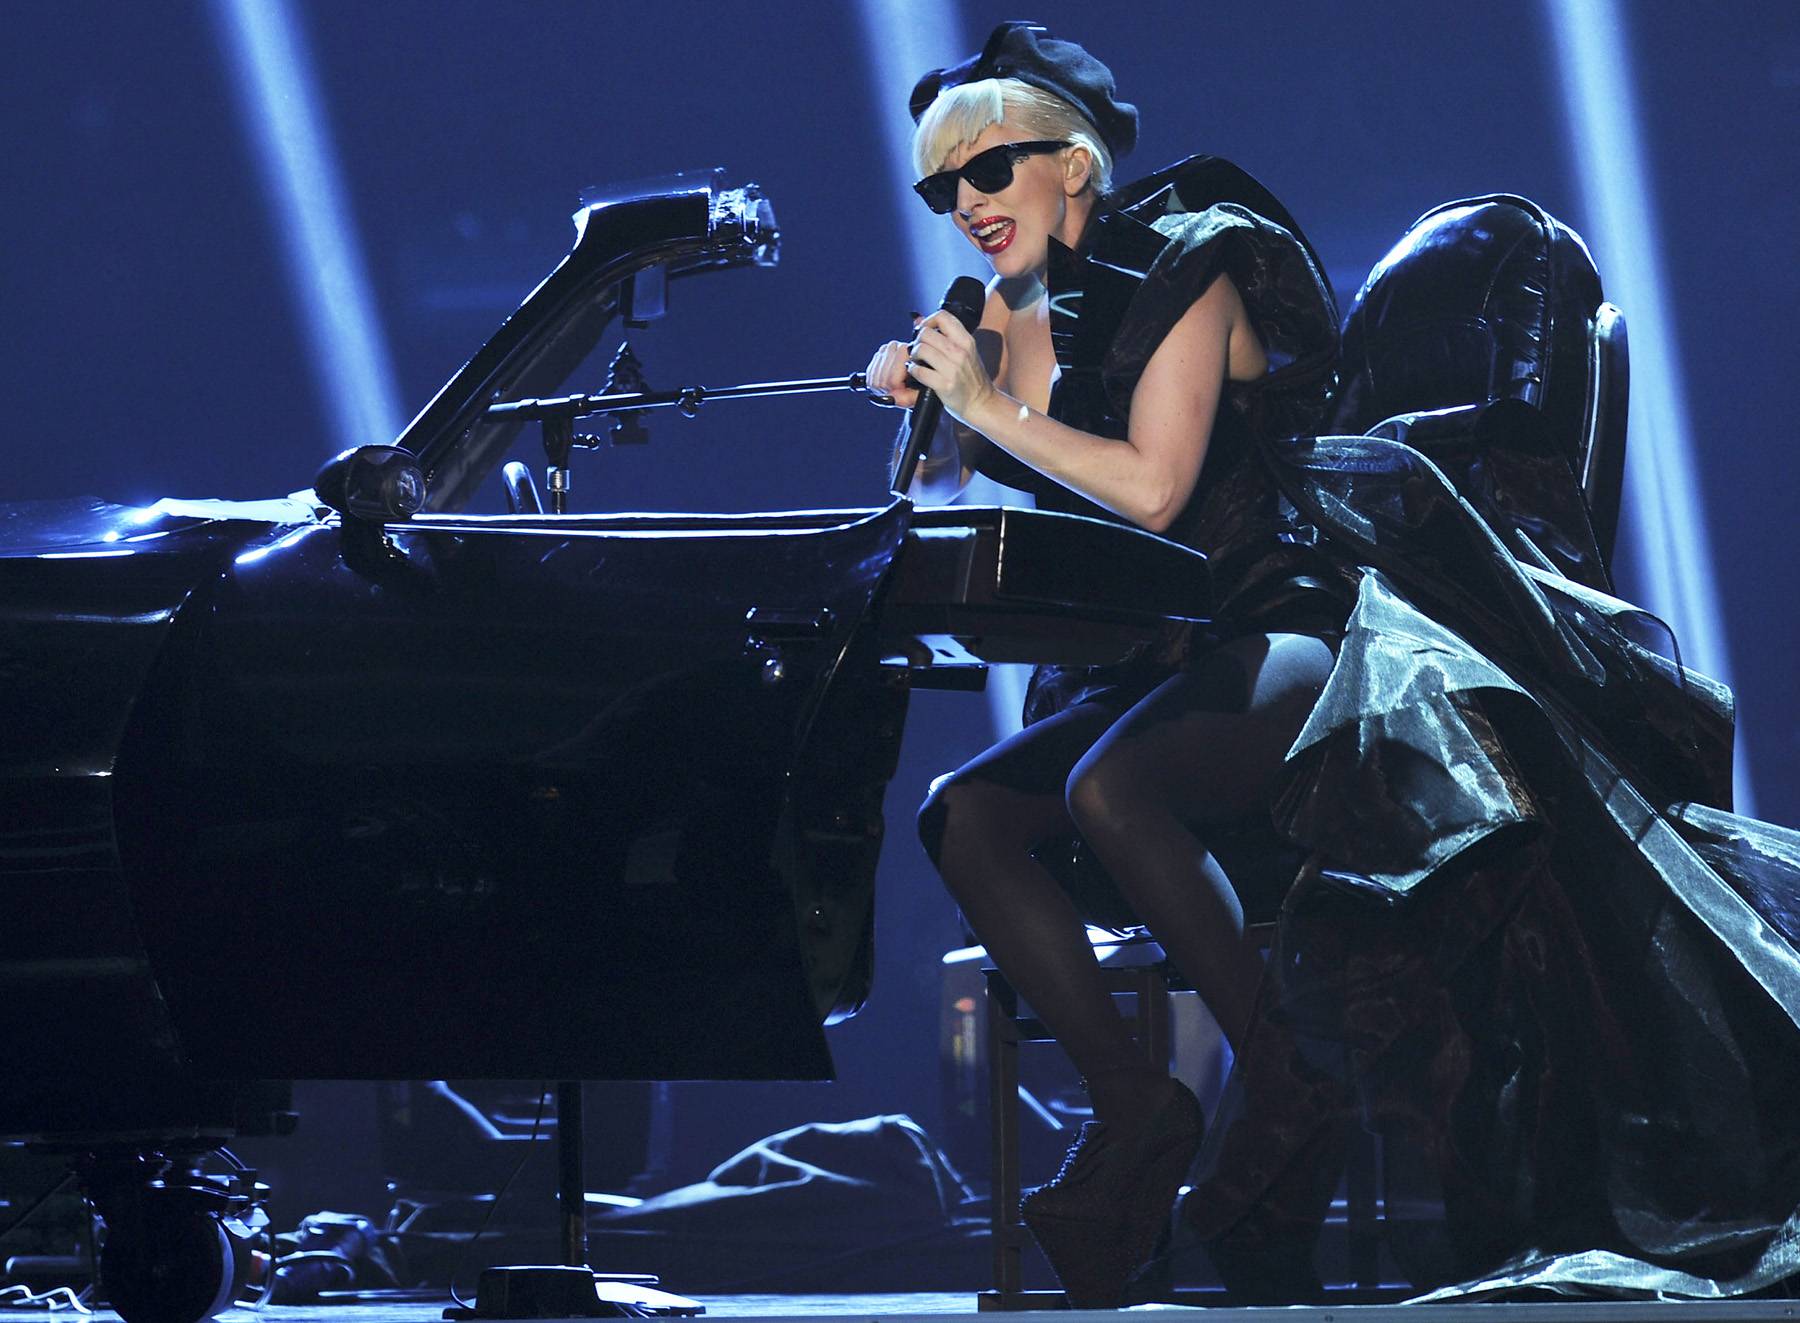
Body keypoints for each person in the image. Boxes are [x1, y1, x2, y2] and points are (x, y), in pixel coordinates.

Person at [862, 20, 1344, 1306]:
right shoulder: (1011, 309)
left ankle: (1290, 1078)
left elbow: (1153, 489)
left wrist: (985, 407)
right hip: (1153, 654)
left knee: (1108, 787)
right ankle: (1136, 1106)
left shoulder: (1195, 266)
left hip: (1278, 622)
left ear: (1072, 164)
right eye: (942, 187)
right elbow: (960, 482)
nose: (965, 204)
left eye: (988, 170)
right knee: (965, 814)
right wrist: (926, 409)